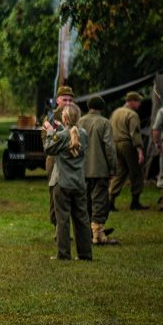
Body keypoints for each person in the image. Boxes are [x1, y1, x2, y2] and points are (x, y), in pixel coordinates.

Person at [45, 102, 92, 261]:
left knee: (62, 219)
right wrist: (61, 129)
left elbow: (49, 149)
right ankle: (85, 253)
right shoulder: (84, 134)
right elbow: (72, 137)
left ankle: (63, 254)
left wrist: (51, 132)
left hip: (62, 182)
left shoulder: (62, 136)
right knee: (82, 219)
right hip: (79, 182)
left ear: (64, 118)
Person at [82, 96, 118, 245]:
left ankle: (86, 233)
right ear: (102, 108)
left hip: (81, 169)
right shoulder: (104, 122)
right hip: (99, 169)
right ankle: (98, 236)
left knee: (85, 202)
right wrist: (113, 168)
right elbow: (109, 147)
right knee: (99, 202)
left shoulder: (79, 121)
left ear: (89, 106)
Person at [44, 85, 76, 229]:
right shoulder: (52, 117)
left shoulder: (75, 115)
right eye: (65, 99)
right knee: (55, 192)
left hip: (71, 158)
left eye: (70, 100)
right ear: (58, 100)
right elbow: (46, 141)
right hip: (55, 158)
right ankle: (57, 226)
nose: (68, 103)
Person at [109, 92, 147, 210]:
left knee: (120, 172)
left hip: (115, 144)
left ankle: (111, 201)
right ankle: (135, 202)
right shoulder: (132, 114)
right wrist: (140, 151)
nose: (139, 104)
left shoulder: (115, 112)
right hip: (127, 145)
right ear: (132, 101)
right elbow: (134, 134)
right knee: (136, 172)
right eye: (138, 101)